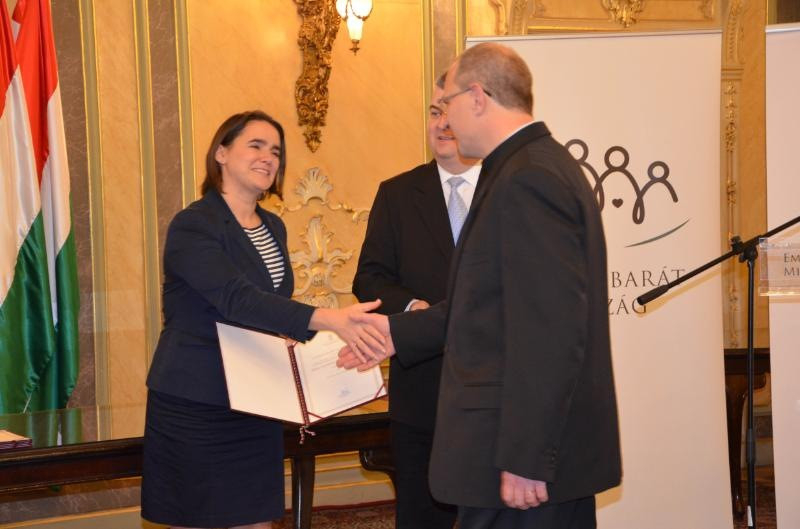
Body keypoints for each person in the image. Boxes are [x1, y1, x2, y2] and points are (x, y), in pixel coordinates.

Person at [339, 43, 622, 529]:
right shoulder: (524, 167)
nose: (444, 119)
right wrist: (396, 333)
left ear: (476, 96)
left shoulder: (529, 178)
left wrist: (528, 455)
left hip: (524, 463)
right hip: (517, 453)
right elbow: (490, 306)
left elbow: (549, 330)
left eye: (446, 102)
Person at [141, 110, 385, 529]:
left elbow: (270, 306)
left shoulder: (273, 226)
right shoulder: (193, 224)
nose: (268, 157)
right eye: (255, 145)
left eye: (275, 151)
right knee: (194, 518)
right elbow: (236, 299)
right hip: (197, 401)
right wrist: (329, 319)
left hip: (257, 400)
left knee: (255, 519)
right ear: (221, 153)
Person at [352, 75, 480, 529]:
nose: (442, 123)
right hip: (421, 392)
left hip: (490, 395)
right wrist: (413, 310)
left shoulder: (506, 190)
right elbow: (368, 278)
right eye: (433, 112)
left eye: (450, 112)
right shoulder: (398, 193)